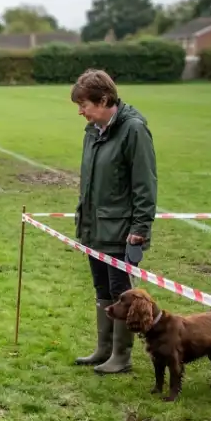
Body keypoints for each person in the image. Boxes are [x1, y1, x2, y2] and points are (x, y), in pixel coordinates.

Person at [70, 69, 158, 374]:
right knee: (101, 288)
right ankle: (104, 349)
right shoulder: (92, 131)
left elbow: (145, 185)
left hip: (119, 230)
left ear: (104, 99)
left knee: (121, 290)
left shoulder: (134, 130)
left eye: (84, 105)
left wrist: (140, 229)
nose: (80, 111)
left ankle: (122, 355)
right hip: (94, 227)